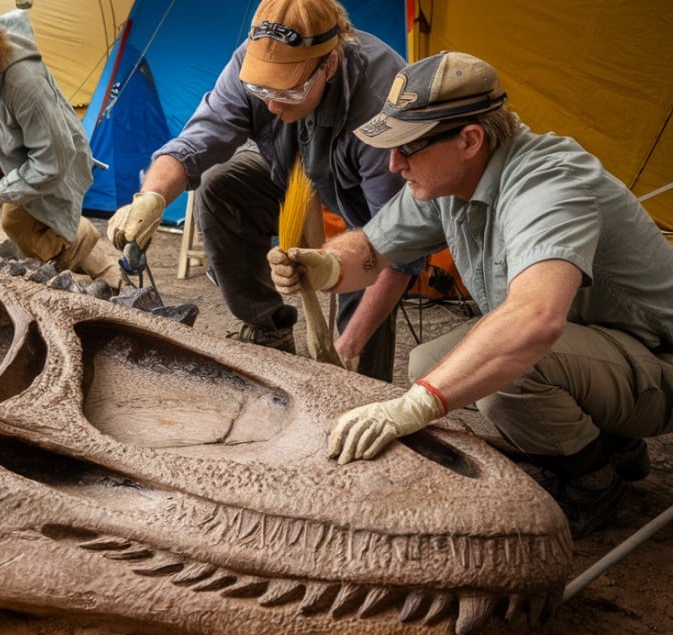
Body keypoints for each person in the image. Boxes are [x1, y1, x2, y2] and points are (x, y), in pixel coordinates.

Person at [270, 51, 673, 538]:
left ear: (470, 139)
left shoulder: (549, 181)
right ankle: (611, 443)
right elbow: (374, 249)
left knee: (510, 366)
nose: (394, 164)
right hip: (603, 354)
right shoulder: (449, 177)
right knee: (429, 364)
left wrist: (413, 406)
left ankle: (591, 480)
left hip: (659, 365)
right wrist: (328, 265)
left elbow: (535, 319)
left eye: (407, 148)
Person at [108, 0, 415, 380]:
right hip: (289, 171)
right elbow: (198, 139)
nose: (269, 103)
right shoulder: (253, 58)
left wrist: (348, 345)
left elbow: (396, 246)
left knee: (361, 301)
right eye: (261, 88)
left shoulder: (380, 102)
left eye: (287, 89)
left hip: (362, 206)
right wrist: (151, 197)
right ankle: (268, 326)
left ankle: (362, 382)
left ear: (329, 64)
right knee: (221, 184)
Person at [0, 0, 124, 288]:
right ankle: (101, 266)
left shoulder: (24, 81)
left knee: (18, 224)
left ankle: (79, 239)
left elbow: (51, 162)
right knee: (18, 224)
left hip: (54, 157)